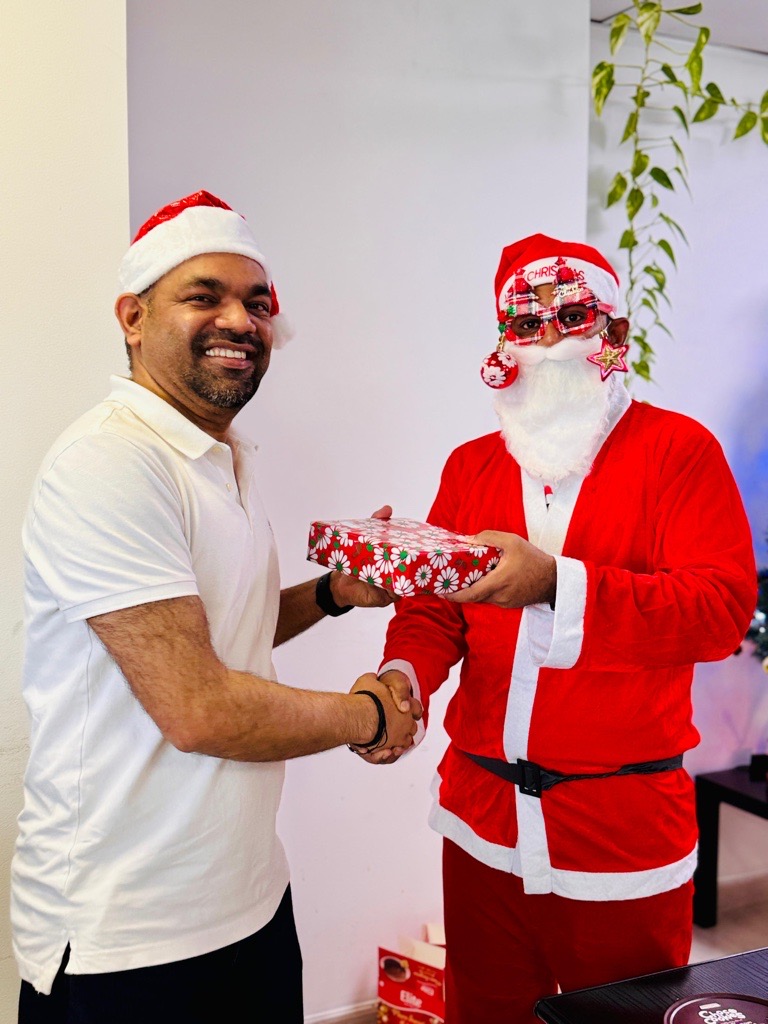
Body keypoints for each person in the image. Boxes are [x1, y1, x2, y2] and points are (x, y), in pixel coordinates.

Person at [12, 189, 421, 1024]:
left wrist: (332, 594)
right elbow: (198, 707)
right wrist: (371, 716)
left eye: (257, 303)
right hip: (130, 935)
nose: (240, 320)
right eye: (204, 295)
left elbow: (220, 632)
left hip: (248, 898)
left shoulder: (215, 454)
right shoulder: (112, 463)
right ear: (133, 317)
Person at [355, 234, 757, 1023]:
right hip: (480, 824)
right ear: (501, 343)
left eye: (572, 317)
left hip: (621, 835)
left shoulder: (679, 453)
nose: (548, 341)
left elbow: (717, 611)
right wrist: (401, 681)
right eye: (526, 323)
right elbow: (435, 608)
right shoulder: (470, 466)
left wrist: (555, 584)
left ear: (615, 333)